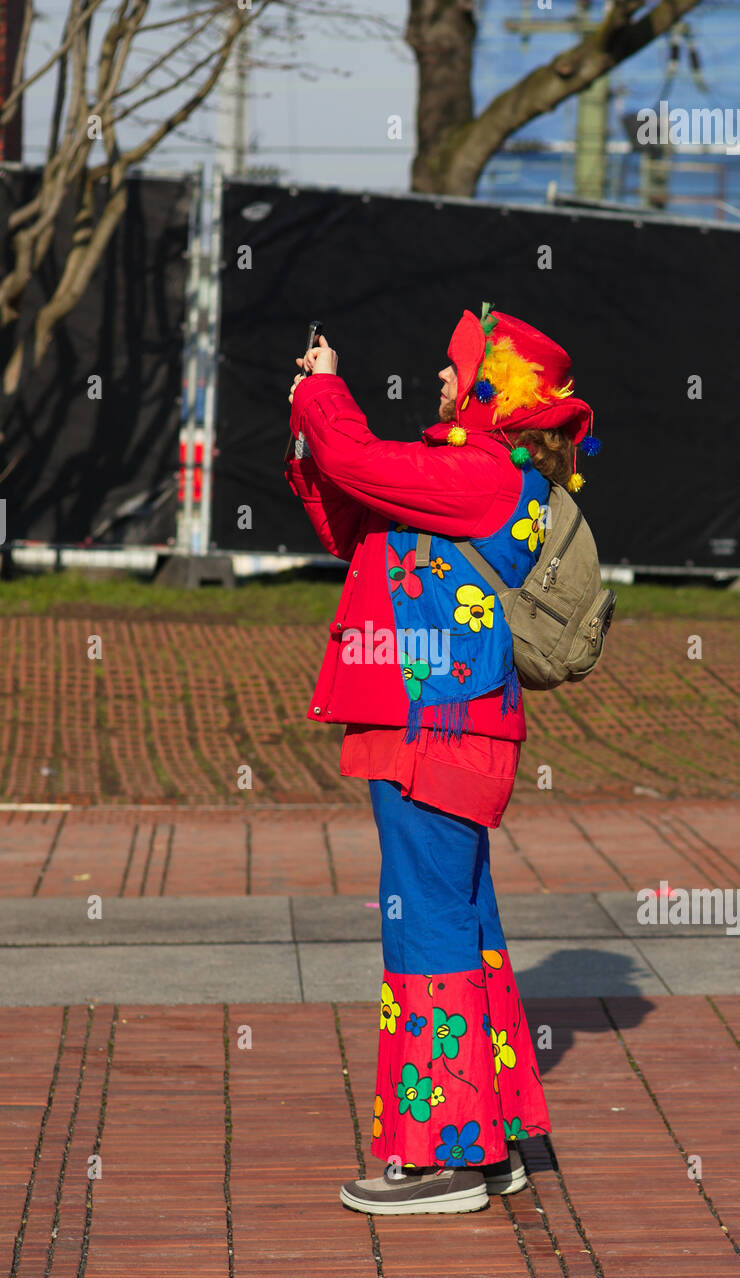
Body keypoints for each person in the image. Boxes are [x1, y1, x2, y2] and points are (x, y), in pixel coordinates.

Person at [285, 303, 596, 1216]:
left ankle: (445, 1158)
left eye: (457, 368)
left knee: (424, 931)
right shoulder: (471, 474)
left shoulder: (481, 473)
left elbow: (354, 459)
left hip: (437, 731)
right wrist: (311, 417)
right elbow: (351, 517)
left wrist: (326, 397)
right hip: (445, 727)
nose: (441, 379)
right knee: (461, 928)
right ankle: (490, 1142)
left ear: (494, 389)